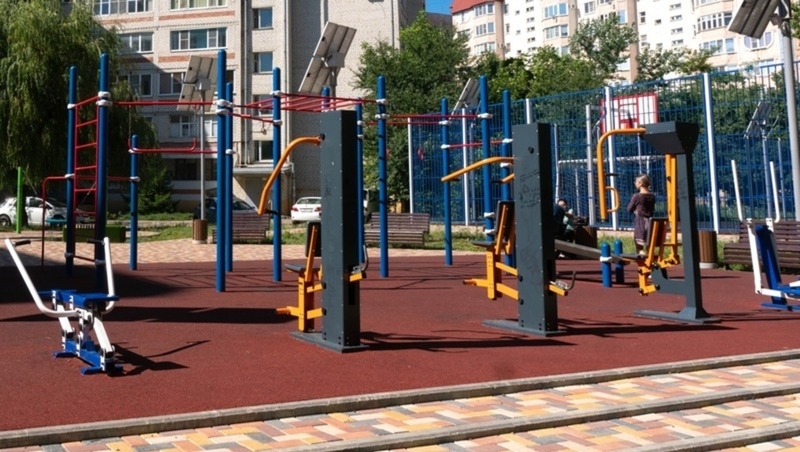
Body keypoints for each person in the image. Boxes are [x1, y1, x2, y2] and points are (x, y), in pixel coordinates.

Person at [627, 173, 656, 254]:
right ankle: (651, 258)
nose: (635, 183)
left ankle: (643, 258)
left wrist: (635, 210)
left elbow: (629, 208)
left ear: (640, 183)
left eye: (636, 182)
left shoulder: (637, 196)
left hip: (640, 223)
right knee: (649, 246)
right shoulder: (652, 196)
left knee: (639, 248)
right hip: (650, 222)